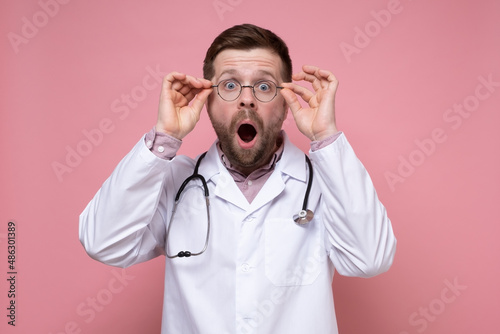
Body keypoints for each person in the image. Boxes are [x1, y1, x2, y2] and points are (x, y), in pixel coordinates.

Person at [79, 23, 396, 334]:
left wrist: (326, 137)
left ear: (286, 103)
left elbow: (369, 259)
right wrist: (165, 137)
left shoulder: (326, 185)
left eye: (264, 86)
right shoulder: (175, 182)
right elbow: (104, 243)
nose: (247, 99)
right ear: (208, 102)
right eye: (229, 86)